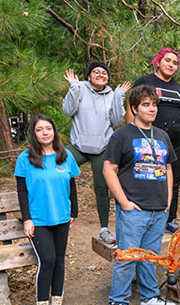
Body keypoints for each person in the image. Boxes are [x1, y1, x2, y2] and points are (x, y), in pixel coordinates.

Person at [104, 85, 178, 305]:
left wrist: (168, 200)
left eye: (154, 105)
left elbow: (167, 167)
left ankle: (149, 297)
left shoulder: (162, 135)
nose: (152, 109)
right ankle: (118, 301)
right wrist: (123, 202)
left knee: (150, 256)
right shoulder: (122, 135)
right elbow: (109, 169)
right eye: (146, 105)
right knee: (128, 257)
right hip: (134, 209)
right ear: (134, 108)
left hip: (159, 208)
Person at [14, 115, 80, 305]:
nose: (45, 132)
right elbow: (22, 191)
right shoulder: (25, 158)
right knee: (48, 259)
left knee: (59, 259)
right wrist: (27, 219)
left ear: (54, 131)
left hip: (61, 216)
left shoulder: (65, 156)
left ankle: (57, 304)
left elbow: (72, 186)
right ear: (34, 133)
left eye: (48, 128)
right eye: (40, 129)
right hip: (39, 219)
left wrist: (73, 212)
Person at [62, 62, 131, 244]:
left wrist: (119, 96)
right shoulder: (80, 89)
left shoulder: (111, 95)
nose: (100, 75)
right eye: (96, 72)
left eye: (104, 73)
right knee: (56, 165)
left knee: (102, 188)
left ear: (108, 78)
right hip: (78, 145)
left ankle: (104, 229)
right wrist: (74, 87)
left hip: (102, 148)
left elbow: (116, 121)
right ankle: (59, 216)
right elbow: (68, 110)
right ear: (89, 76)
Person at [127, 48, 180, 231]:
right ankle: (143, 215)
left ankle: (169, 219)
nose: (171, 65)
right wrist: (130, 133)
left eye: (175, 63)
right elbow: (131, 106)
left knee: (174, 179)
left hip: (178, 140)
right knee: (148, 175)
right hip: (150, 138)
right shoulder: (145, 81)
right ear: (158, 61)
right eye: (167, 60)